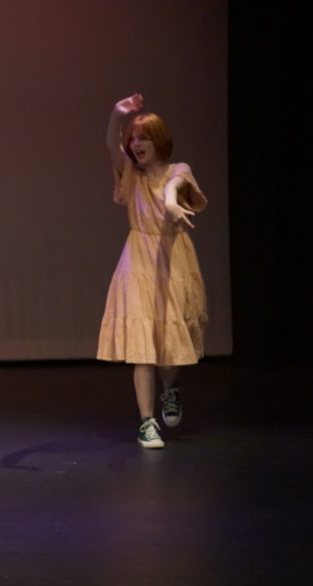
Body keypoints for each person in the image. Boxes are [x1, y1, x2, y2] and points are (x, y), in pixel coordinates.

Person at [97, 93, 209, 448]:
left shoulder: (179, 170)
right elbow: (110, 144)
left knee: (168, 347)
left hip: (172, 259)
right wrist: (118, 114)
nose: (136, 143)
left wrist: (173, 204)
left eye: (143, 137)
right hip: (138, 261)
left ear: (159, 141)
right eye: (133, 138)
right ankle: (146, 422)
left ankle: (170, 388)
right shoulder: (131, 174)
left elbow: (175, 188)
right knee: (142, 346)